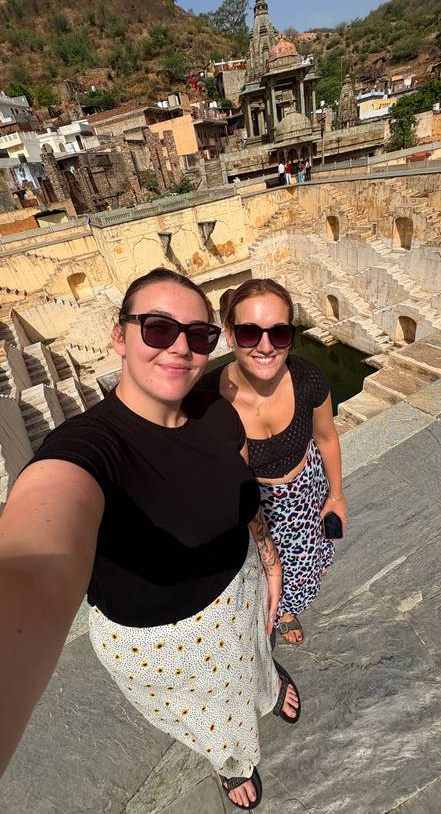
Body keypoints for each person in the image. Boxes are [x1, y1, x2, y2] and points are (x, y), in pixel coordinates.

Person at [0, 268, 301, 811]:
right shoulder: (91, 448)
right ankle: (232, 764)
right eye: (159, 329)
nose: (181, 348)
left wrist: (269, 558)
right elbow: (35, 560)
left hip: (243, 588)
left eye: (199, 335)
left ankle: (267, 685)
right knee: (211, 717)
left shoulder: (215, 411)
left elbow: (243, 494)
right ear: (119, 336)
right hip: (166, 645)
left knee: (258, 657)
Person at [199, 278, 347, 646]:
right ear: (230, 335)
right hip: (254, 508)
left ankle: (289, 607)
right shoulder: (207, 400)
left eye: (278, 333)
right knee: (266, 571)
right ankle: (280, 610)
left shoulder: (308, 378)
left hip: (305, 491)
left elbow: (326, 437)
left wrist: (337, 495)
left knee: (305, 559)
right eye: (250, 333)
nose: (266, 347)